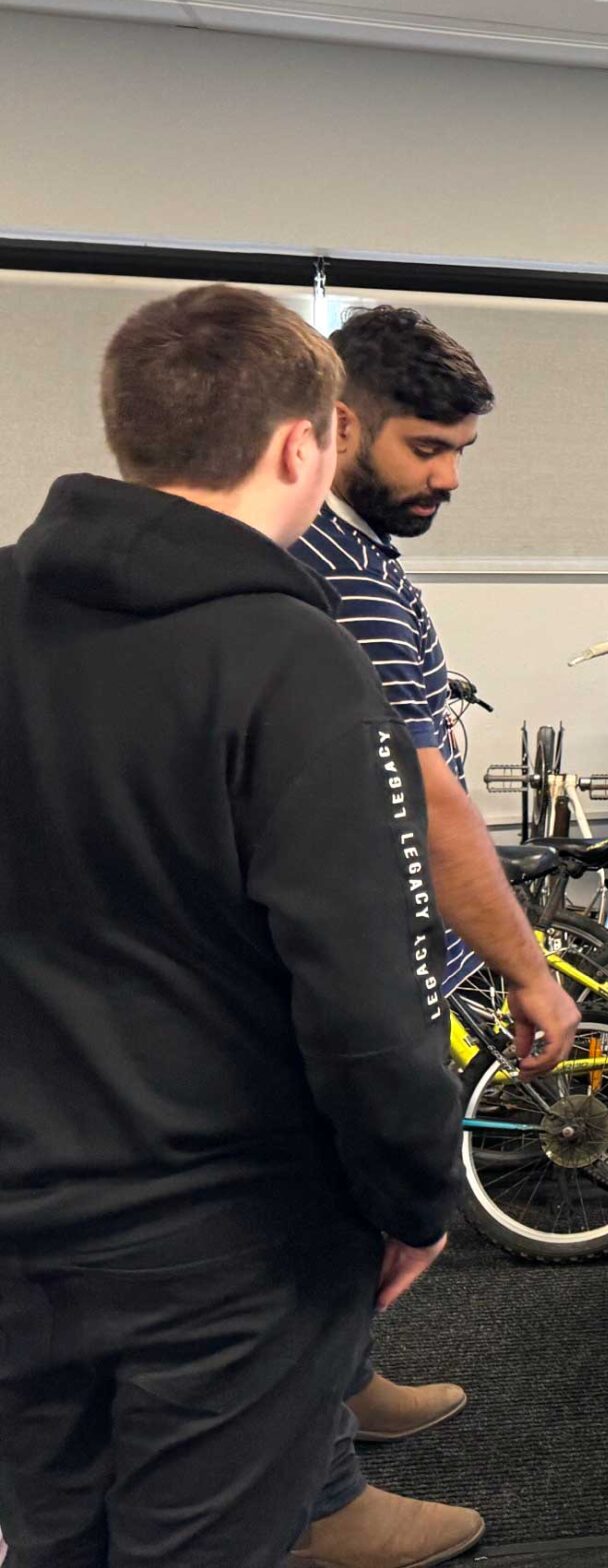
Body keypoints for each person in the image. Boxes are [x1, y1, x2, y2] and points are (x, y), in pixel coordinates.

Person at [0, 285, 473, 1566]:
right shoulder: (292, 659)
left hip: (23, 1223)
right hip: (225, 1246)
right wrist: (413, 1196)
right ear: (303, 445)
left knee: (56, 1541)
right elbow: (366, 998)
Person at [287, 305, 580, 1548]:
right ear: (337, 424)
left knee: (350, 1219)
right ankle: (319, 1505)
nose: (449, 477)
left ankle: (346, 1389)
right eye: (425, 448)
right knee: (320, 1222)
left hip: (399, 950)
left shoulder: (359, 551)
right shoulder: (325, 572)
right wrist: (526, 966)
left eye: (460, 451)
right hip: (363, 959)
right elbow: (423, 796)